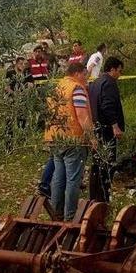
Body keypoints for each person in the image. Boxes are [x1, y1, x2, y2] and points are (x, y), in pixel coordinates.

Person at [45, 62, 94, 221]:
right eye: (85, 74)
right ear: (78, 73)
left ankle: (56, 213)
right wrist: (92, 137)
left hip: (55, 139)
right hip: (73, 140)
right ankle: (70, 216)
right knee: (73, 179)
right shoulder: (76, 88)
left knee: (59, 177)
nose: (86, 78)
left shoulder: (56, 87)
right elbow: (81, 115)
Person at [88, 57, 125, 202]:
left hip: (96, 127)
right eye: (119, 71)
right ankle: (104, 197)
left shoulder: (96, 82)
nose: (120, 74)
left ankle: (94, 196)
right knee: (108, 163)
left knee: (96, 163)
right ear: (113, 69)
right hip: (106, 129)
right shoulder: (109, 83)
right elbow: (107, 106)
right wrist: (115, 125)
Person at [4, 57, 32, 149]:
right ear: (16, 64)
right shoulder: (10, 73)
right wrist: (14, 94)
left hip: (22, 100)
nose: (22, 66)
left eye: (24, 64)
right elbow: (6, 86)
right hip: (11, 99)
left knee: (22, 120)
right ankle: (9, 144)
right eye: (20, 63)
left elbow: (31, 84)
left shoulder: (27, 73)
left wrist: (27, 90)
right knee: (9, 121)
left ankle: (22, 141)